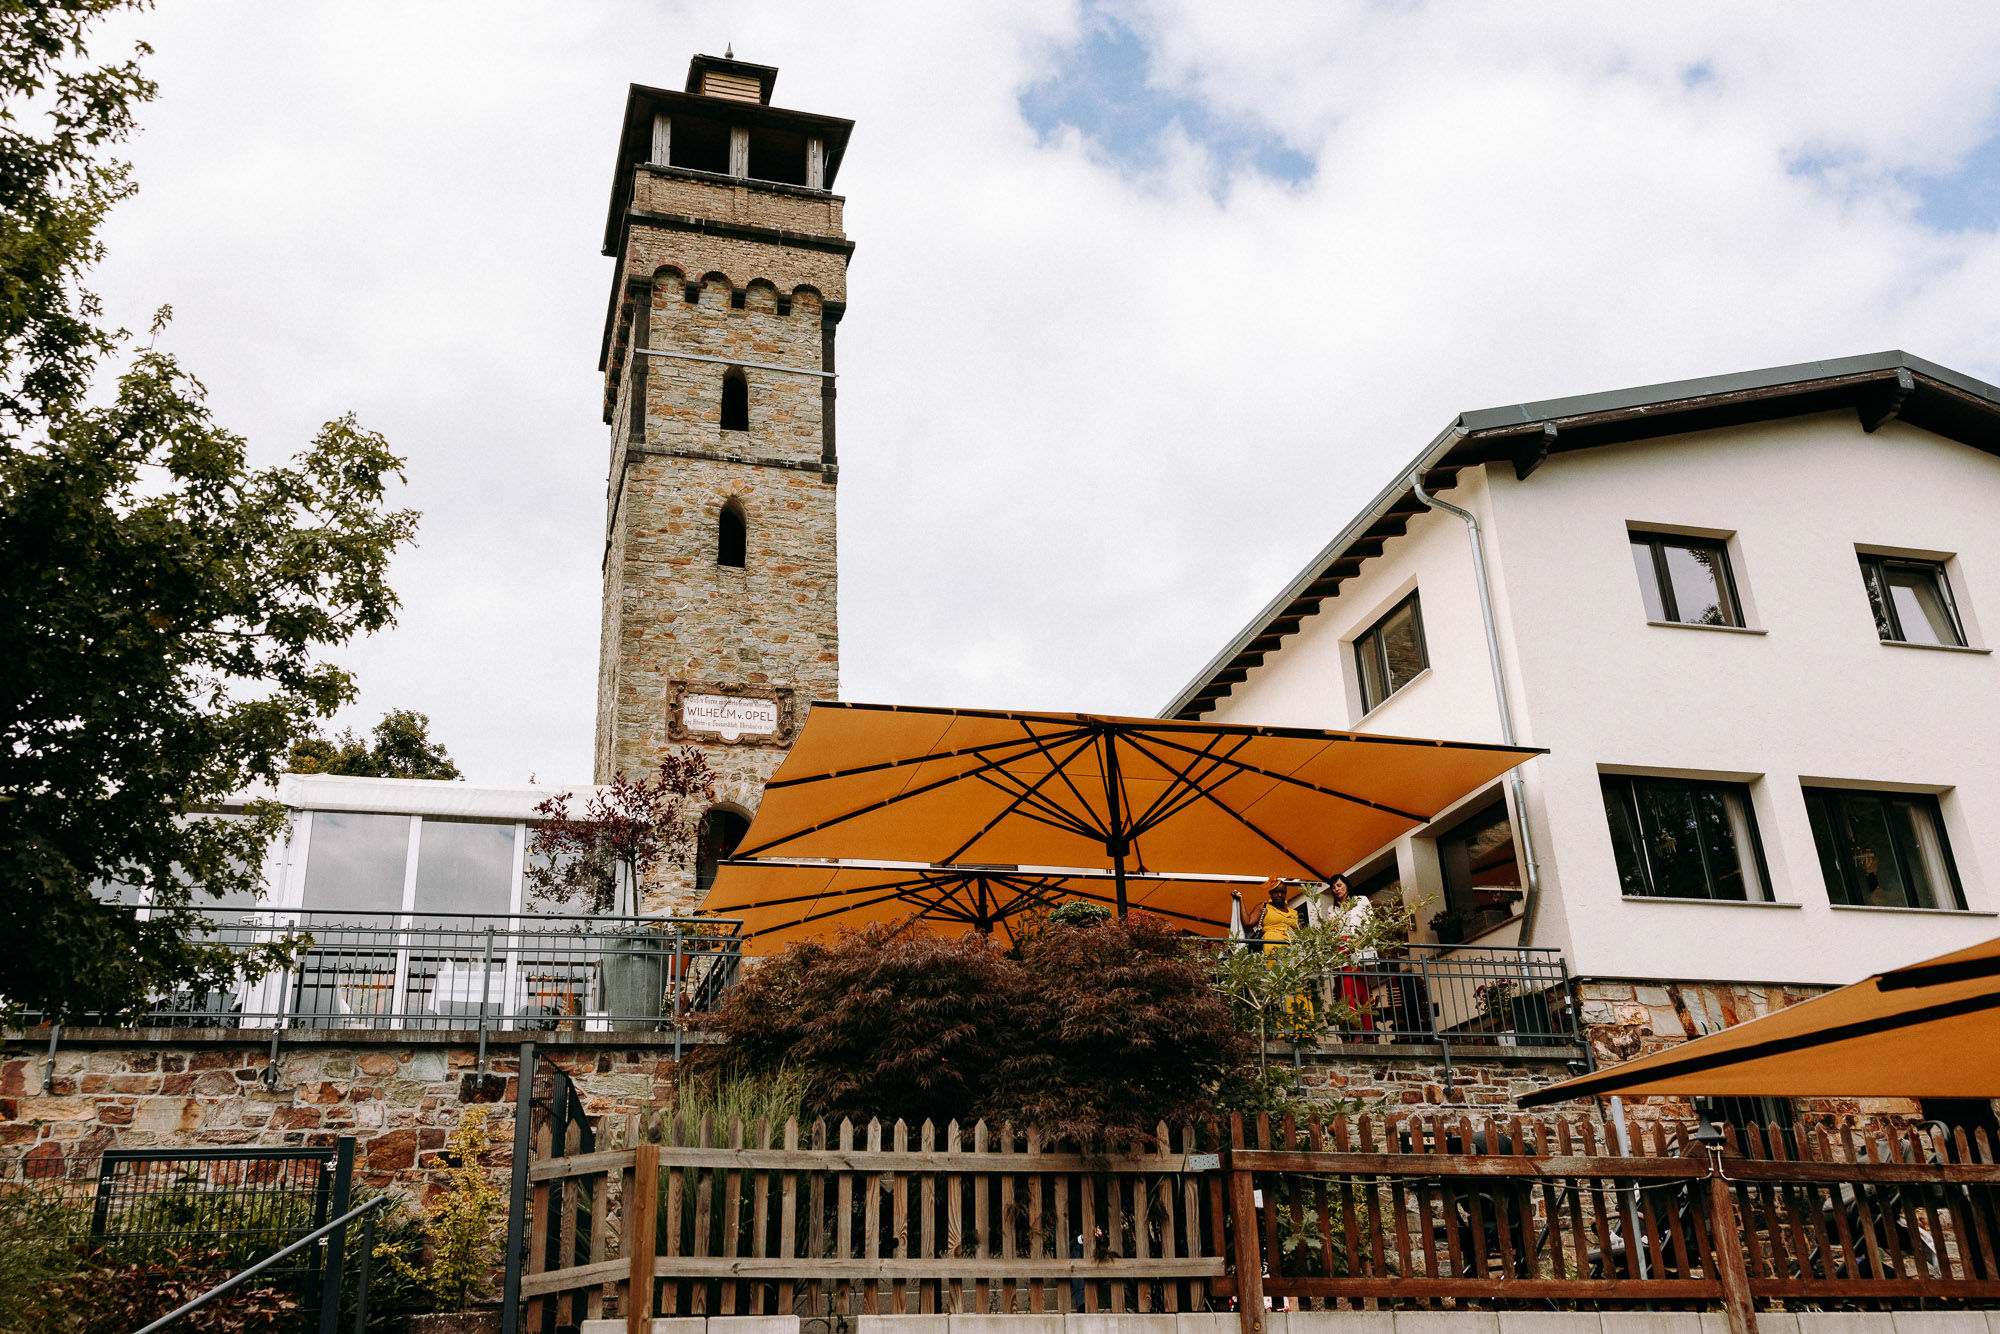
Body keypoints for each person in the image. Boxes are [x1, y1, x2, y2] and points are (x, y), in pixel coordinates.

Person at [1327, 875, 1376, 1038]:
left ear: (1347, 885)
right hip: (1341, 951)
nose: (1337, 889)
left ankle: (1361, 1032)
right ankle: (1353, 1031)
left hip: (1358, 948)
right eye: (1334, 887)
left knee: (1358, 985)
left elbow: (1370, 923)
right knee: (1345, 985)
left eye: (1339, 885)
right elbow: (1330, 933)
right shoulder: (1332, 909)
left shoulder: (1361, 901)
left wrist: (1360, 939)